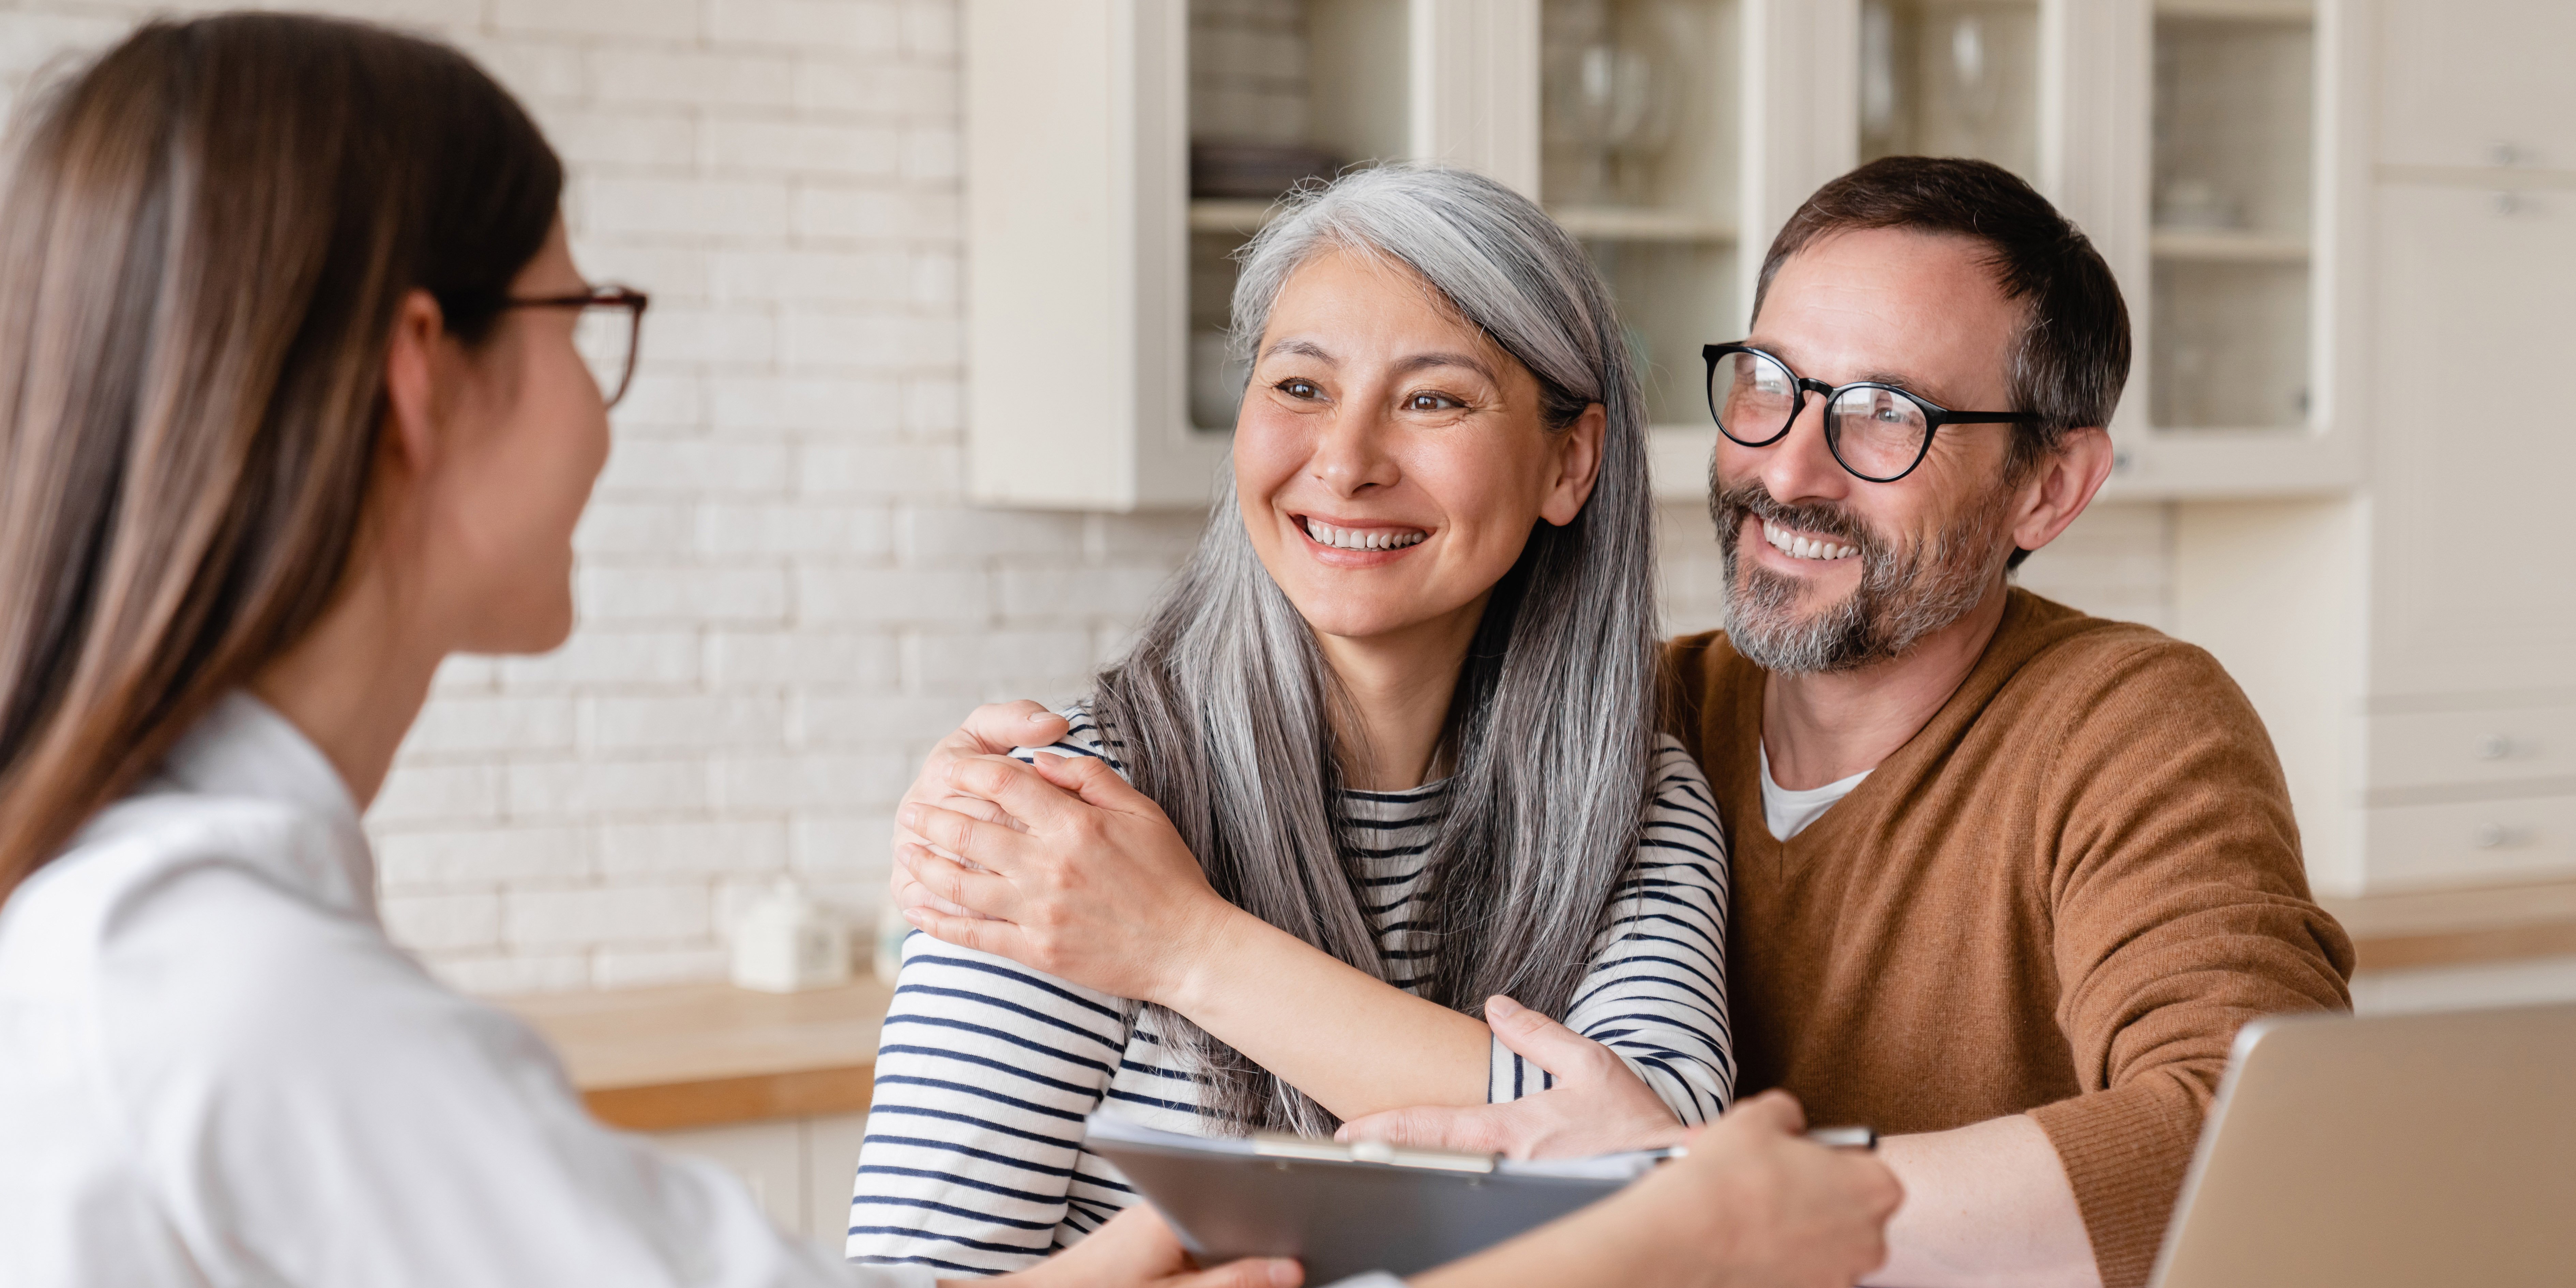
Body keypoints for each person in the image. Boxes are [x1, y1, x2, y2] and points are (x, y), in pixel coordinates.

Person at [0, 14, 1900, 1288]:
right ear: (425, 379)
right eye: (585, 314)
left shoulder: (180, 958)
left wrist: (1181, 1023)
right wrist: (1658, 1233)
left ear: (1572, 458)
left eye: (1431, 398)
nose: (604, 400)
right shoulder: (233, 1002)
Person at [893, 158, 2357, 1288]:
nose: (1795, 469)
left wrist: (1707, 1197)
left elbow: (2264, 1146)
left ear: (2050, 488)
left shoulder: (2102, 729)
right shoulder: (1650, 722)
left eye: (1888, 417)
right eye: (1772, 388)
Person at [851, 165, 1732, 1276]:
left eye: (1433, 399)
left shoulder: (1633, 797)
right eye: (1301, 387)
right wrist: (1170, 1233)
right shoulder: (1072, 821)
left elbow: (1665, 1168)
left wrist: (1184, 944)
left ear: (1571, 461)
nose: (1348, 462)